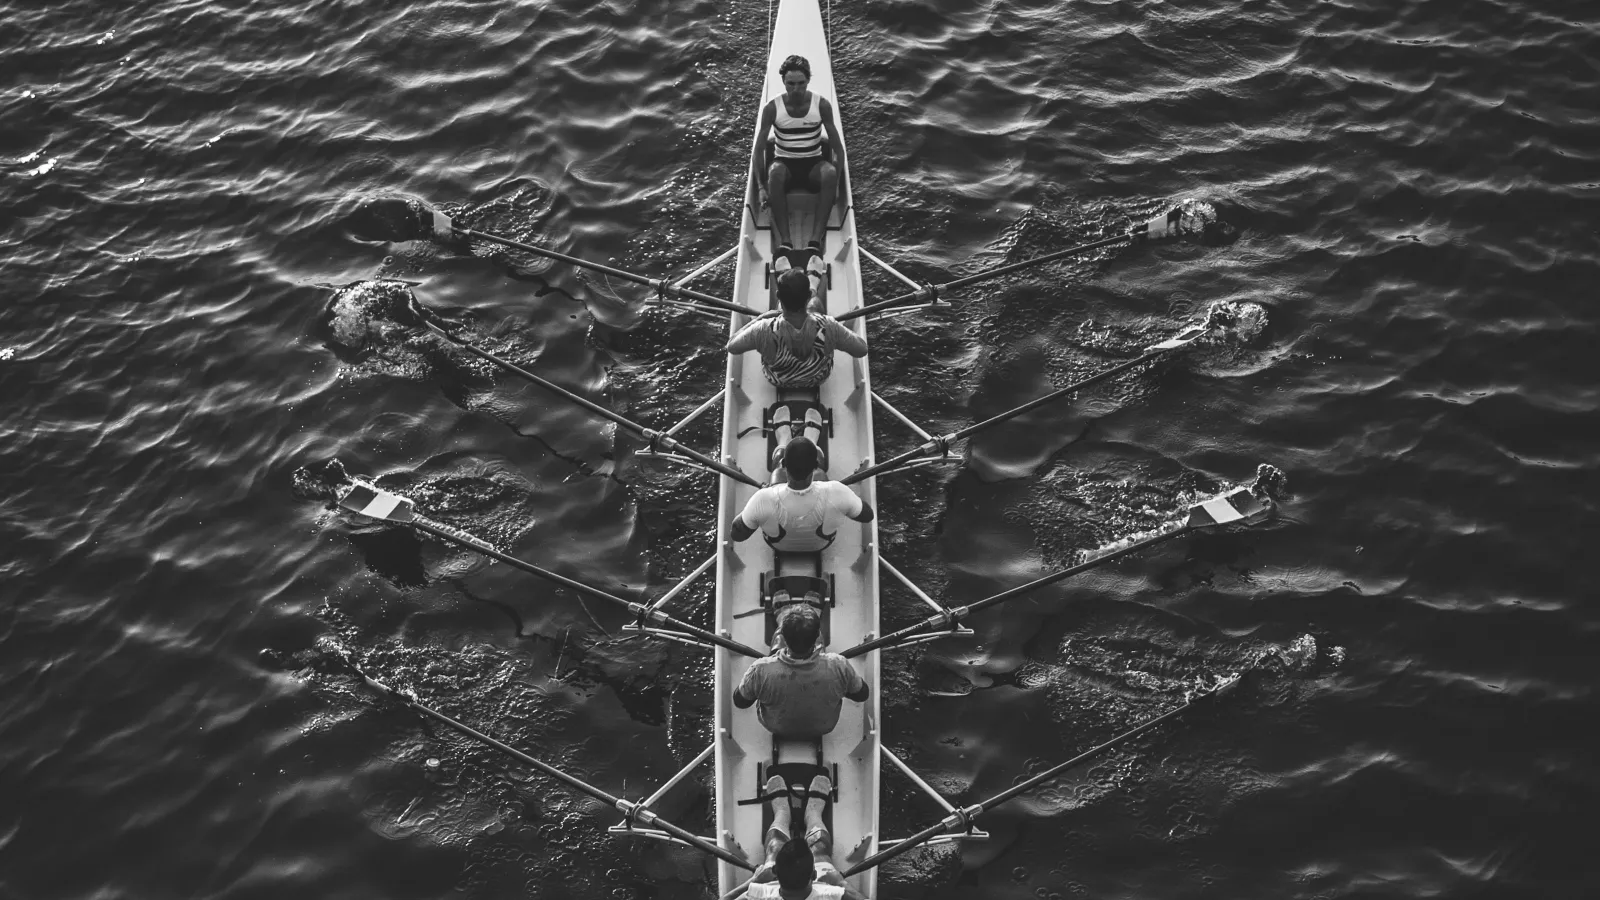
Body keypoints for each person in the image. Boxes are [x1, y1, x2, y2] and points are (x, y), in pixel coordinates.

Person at [734, 604, 870, 739]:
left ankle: (781, 616)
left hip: (775, 726)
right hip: (825, 727)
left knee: (776, 647)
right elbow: (862, 694)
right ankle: (812, 613)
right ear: (816, 635)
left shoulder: (760, 670)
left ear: (784, 637)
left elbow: (740, 702)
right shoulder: (839, 665)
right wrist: (840, 686)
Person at [726, 261, 867, 390]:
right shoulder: (828, 325)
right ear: (808, 296)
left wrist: (760, 319)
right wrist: (835, 331)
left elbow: (731, 345)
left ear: (778, 296)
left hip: (778, 380)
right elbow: (861, 350)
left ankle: (785, 278)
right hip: (817, 379)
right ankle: (814, 283)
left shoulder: (763, 328)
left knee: (743, 309)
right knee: (816, 304)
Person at [754, 55, 846, 253]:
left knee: (829, 173)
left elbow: (838, 150)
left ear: (808, 81)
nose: (796, 89)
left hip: (813, 164)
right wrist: (761, 188)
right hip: (784, 165)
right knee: (775, 172)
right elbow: (759, 149)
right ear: (783, 82)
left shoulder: (821, 105)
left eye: (801, 83)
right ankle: (785, 242)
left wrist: (837, 183)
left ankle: (815, 241)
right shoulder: (772, 108)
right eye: (791, 84)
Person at [731, 437, 873, 552]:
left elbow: (737, 535)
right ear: (816, 465)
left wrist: (759, 499)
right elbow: (868, 515)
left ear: (784, 464)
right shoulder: (838, 491)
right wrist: (846, 499)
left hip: (778, 546)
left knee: (777, 473)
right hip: (822, 545)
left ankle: (783, 438)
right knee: (822, 476)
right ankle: (812, 436)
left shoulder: (762, 499)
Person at [746, 773, 864, 900]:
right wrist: (840, 882)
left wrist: (755, 880)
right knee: (819, 847)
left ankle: (782, 813)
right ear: (813, 874)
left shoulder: (760, 893)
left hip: (771, 884)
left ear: (775, 871)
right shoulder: (831, 895)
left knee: (775, 846)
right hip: (822, 883)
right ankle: (813, 813)